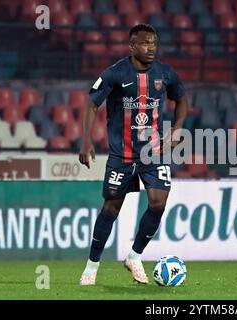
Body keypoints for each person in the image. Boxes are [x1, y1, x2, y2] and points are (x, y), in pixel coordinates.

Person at [78, 24, 188, 285]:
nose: (151, 47)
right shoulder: (115, 74)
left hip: (153, 153)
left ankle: (134, 256)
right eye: (145, 43)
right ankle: (92, 266)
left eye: (154, 43)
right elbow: (92, 104)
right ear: (132, 46)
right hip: (122, 155)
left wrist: (177, 128)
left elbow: (181, 98)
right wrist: (86, 140)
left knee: (158, 202)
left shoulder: (165, 73)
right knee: (111, 208)